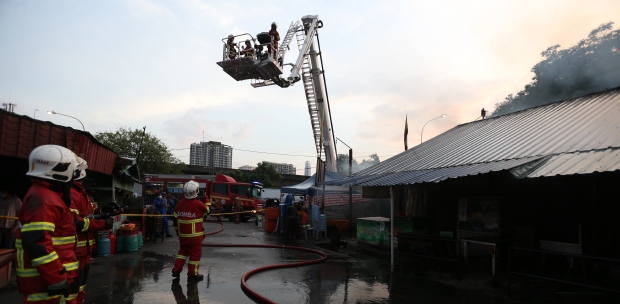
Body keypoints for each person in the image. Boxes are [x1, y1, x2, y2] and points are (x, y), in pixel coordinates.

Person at [15, 144, 82, 304]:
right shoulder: (45, 199)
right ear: (61, 170)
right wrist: (56, 277)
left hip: (51, 280)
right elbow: (36, 243)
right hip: (46, 285)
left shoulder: (45, 195)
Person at [70, 157, 113, 304]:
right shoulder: (72, 194)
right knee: (72, 289)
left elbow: (89, 214)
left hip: (85, 249)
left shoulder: (81, 193)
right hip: (75, 250)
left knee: (80, 286)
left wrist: (104, 210)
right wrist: (102, 224)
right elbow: (76, 222)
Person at [172, 180, 210, 281]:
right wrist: (205, 198)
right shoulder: (198, 204)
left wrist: (177, 231)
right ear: (196, 191)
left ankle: (176, 270)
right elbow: (208, 211)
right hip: (195, 237)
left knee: (182, 252)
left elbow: (174, 218)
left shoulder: (179, 203)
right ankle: (192, 274)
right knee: (195, 256)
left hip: (183, 235)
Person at [0, 184, 22, 249]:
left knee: (8, 246)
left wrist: (15, 227)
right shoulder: (1, 200)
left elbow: (19, 215)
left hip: (10, 227)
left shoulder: (16, 201)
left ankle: (7, 259)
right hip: (0, 226)